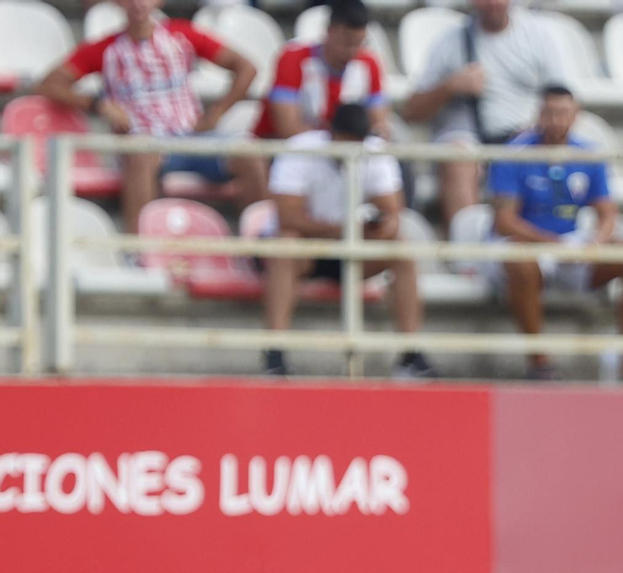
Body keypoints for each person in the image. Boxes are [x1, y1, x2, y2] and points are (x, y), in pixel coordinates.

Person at [37, 0, 268, 232]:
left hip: (193, 138)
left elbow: (246, 67)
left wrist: (217, 111)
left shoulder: (183, 35)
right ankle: (140, 250)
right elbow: (49, 84)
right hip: (147, 144)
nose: (139, 4)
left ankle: (263, 242)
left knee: (248, 151)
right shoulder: (104, 49)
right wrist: (98, 104)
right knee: (140, 154)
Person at [259, 104, 433, 378]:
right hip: (307, 252)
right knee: (286, 245)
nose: (353, 148)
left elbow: (392, 217)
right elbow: (289, 219)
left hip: (349, 252)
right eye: (348, 140)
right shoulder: (299, 149)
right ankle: (274, 355)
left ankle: (411, 354)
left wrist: (374, 229)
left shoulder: (375, 151)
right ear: (331, 133)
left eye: (358, 141)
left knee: (401, 249)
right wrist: (349, 230)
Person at [488, 86, 623, 381]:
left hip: (570, 242)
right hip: (528, 244)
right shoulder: (514, 153)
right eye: (549, 113)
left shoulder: (588, 155)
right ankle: (538, 361)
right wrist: (555, 244)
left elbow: (608, 213)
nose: (556, 120)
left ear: (576, 115)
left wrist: (597, 241)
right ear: (538, 115)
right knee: (520, 262)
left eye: (563, 113)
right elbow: (504, 221)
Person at [400, 0, 569, 225]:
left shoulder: (539, 38)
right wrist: (450, 86)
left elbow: (565, 102)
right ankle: (466, 252)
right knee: (456, 156)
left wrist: (539, 128)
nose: (493, 3)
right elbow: (411, 111)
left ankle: (539, 247)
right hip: (467, 140)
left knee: (542, 151)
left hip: (523, 136)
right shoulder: (449, 42)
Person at [255, 0, 389, 141]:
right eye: (347, 43)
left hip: (343, 153)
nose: (352, 51)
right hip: (288, 151)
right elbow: (287, 129)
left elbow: (379, 127)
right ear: (329, 31)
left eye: (359, 43)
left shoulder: (369, 64)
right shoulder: (293, 60)